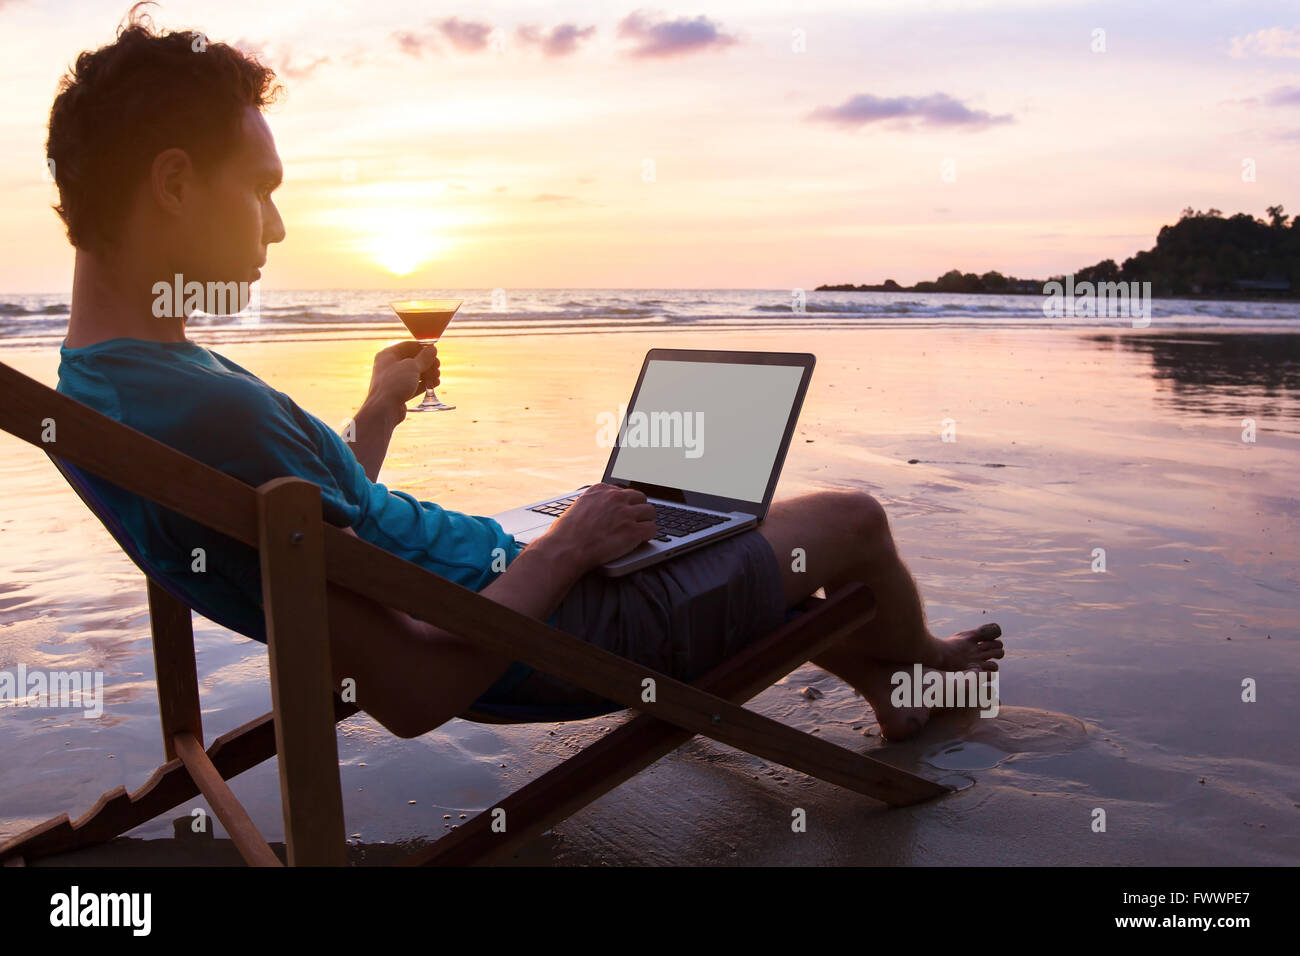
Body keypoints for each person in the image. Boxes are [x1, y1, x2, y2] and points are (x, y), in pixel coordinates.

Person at [49, 6, 1003, 743]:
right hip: (548, 634)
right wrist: (568, 551)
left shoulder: (114, 386)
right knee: (852, 522)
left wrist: (376, 416)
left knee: (697, 517)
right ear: (173, 185)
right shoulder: (201, 411)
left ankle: (877, 678)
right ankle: (925, 666)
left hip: (499, 574)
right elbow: (418, 690)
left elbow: (311, 541)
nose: (278, 226)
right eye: (261, 190)